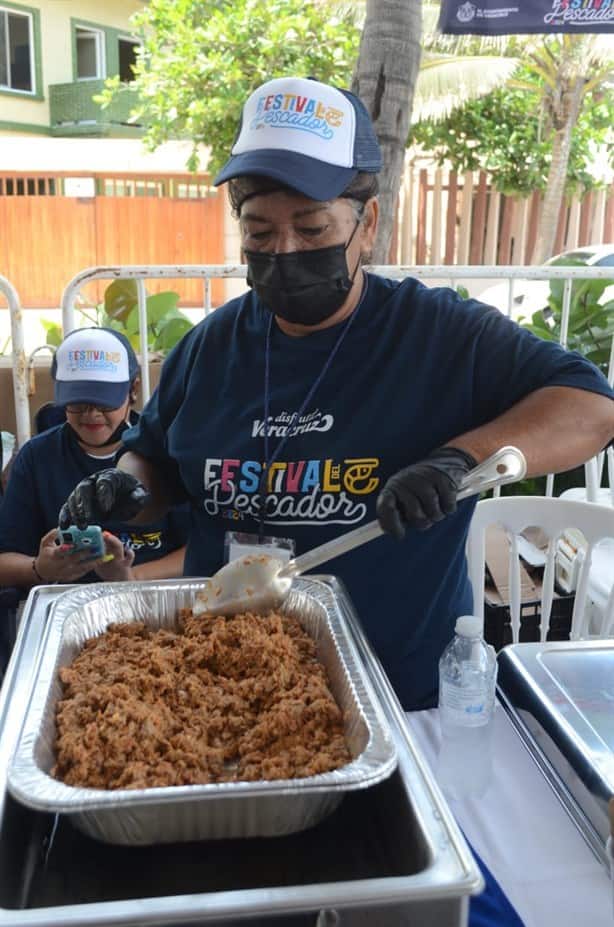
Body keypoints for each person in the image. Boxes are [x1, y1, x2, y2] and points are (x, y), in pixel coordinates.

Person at [58, 76, 614, 712]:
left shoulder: (439, 335)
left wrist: (460, 459)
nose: (285, 252)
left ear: (367, 223)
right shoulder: (210, 347)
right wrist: (128, 487)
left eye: (313, 229)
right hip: (218, 685)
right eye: (260, 234)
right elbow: (153, 457)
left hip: (394, 695)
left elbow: (592, 409)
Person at [0, 327, 189, 589]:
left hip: (151, 594)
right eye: (77, 403)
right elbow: (6, 558)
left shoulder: (164, 452)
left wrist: (130, 577)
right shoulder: (36, 458)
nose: (91, 414)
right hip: (64, 596)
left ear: (133, 389)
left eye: (104, 403)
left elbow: (197, 548)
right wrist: (39, 569)